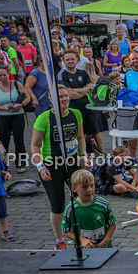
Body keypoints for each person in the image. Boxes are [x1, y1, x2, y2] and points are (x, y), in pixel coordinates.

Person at [31, 86, 87, 250]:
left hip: (72, 163)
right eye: (60, 97)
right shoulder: (44, 118)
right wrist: (40, 167)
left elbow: (81, 137)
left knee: (81, 199)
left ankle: (81, 236)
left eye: (65, 96)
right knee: (57, 204)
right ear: (51, 100)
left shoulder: (75, 114)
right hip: (51, 165)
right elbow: (34, 145)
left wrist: (83, 155)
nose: (64, 99)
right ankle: (59, 240)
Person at [0, 66, 29, 172]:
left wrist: (21, 105)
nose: (2, 77)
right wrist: (2, 108)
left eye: (4, 75)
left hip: (18, 115)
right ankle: (3, 165)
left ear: (8, 74)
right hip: (3, 116)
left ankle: (21, 164)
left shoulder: (16, 84)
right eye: (0, 75)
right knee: (4, 140)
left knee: (18, 140)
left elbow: (27, 97)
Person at [62, 169, 116, 249]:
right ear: (74, 189)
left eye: (92, 185)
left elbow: (112, 224)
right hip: (83, 250)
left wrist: (106, 241)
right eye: (84, 187)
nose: (89, 190)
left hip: (104, 247)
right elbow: (65, 231)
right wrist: (81, 240)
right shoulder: (71, 208)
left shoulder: (103, 204)